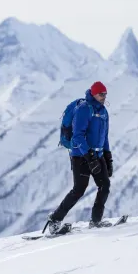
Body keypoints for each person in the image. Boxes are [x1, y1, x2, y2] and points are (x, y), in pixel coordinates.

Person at [47, 81, 114, 233]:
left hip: (98, 154)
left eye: (105, 94)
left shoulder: (103, 111)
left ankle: (96, 221)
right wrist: (90, 158)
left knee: (105, 186)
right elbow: (77, 136)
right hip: (80, 155)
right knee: (79, 189)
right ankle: (55, 219)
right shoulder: (84, 109)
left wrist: (108, 157)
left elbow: (105, 136)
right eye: (101, 94)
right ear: (94, 94)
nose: (104, 97)